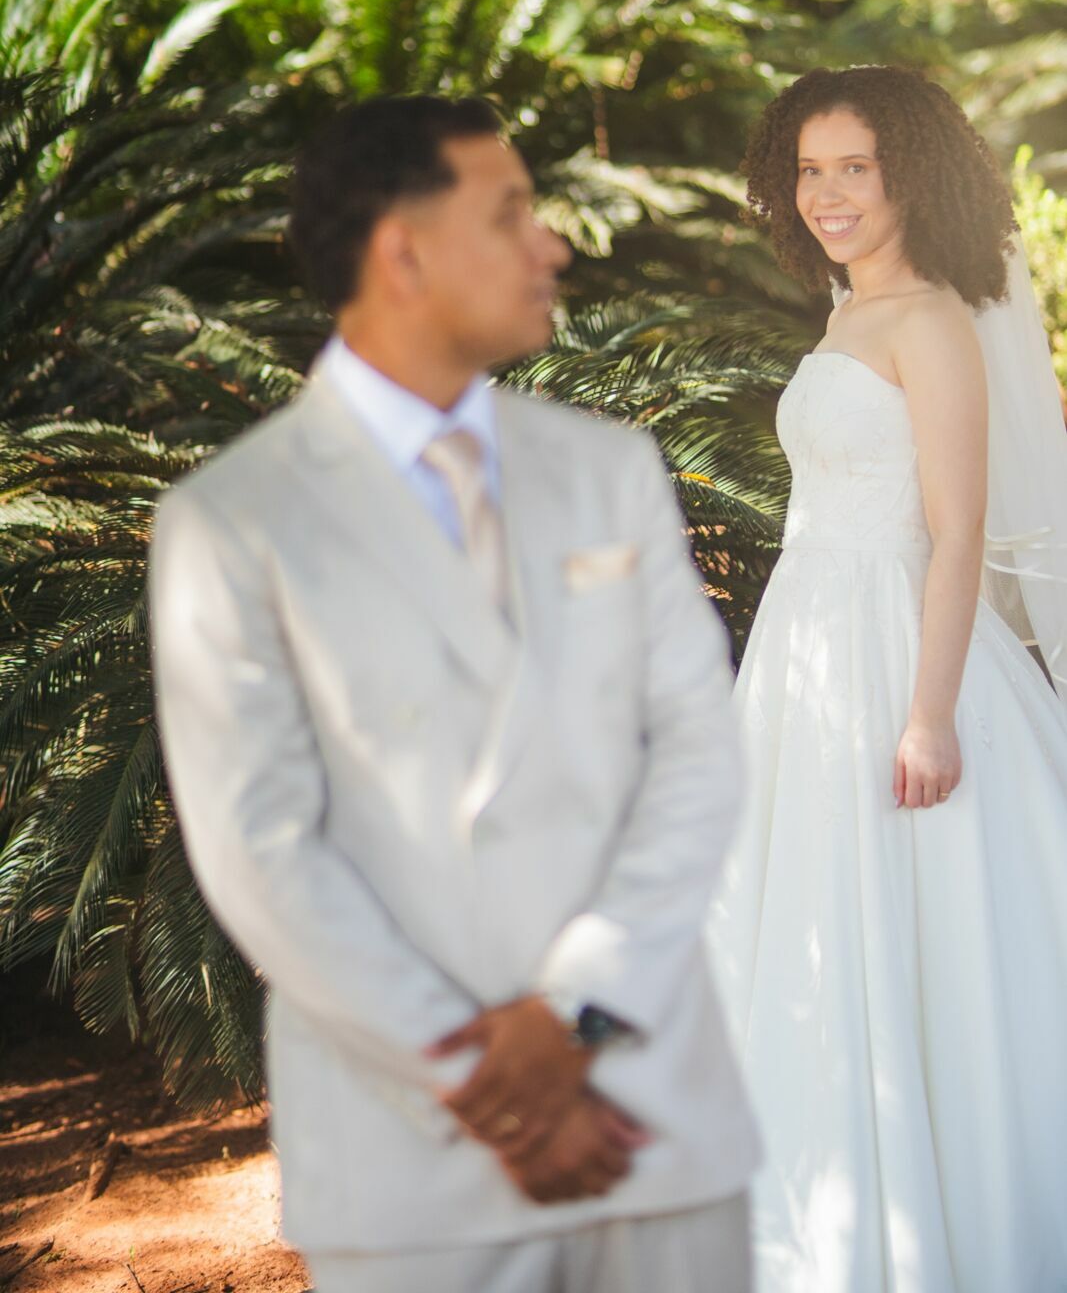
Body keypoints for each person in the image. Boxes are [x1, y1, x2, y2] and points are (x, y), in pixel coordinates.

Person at [150, 95, 760, 1293]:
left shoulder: (610, 471)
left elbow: (695, 747)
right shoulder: (231, 521)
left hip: (656, 1126)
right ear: (403, 249)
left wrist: (573, 1017)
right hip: (412, 1168)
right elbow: (261, 850)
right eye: (513, 212)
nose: (555, 244)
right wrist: (493, 1089)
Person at [709, 64, 1067, 1293]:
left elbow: (956, 531)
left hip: (900, 660)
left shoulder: (928, 319)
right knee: (802, 924)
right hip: (804, 649)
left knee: (912, 929)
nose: (827, 192)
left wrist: (925, 716)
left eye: (853, 166)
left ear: (907, 172)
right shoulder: (844, 309)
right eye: (808, 169)